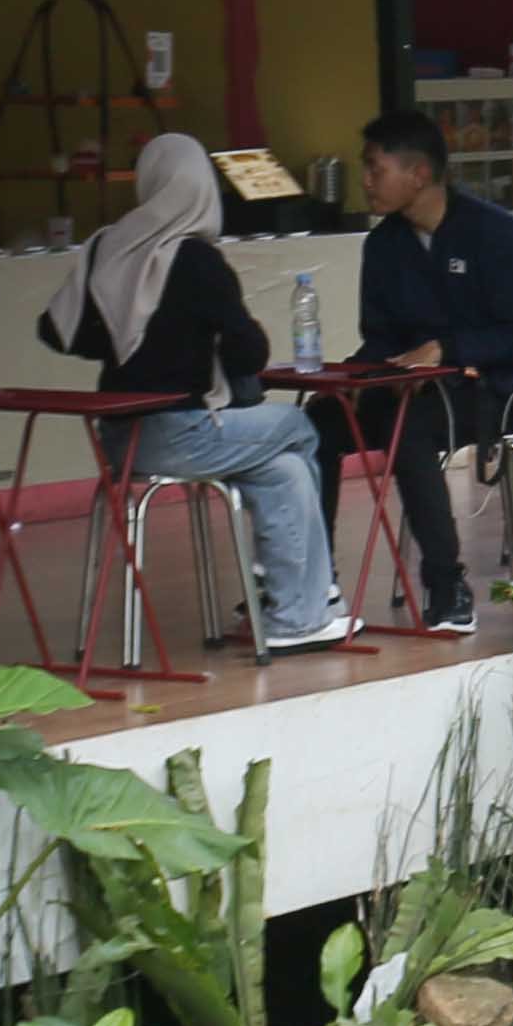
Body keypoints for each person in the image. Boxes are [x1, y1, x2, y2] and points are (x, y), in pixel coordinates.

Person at [37, 133, 349, 655]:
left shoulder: (107, 249)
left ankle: (296, 616)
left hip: (119, 440)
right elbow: (248, 352)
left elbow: (59, 331)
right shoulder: (196, 260)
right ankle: (312, 586)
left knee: (284, 470)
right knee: (300, 427)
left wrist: (129, 341)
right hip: (184, 433)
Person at [349, 105, 513, 635]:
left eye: (374, 169)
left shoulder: (495, 235)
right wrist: (354, 379)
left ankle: (445, 581)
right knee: (310, 429)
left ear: (419, 174)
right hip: (404, 388)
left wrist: (446, 349)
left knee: (406, 432)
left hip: (486, 391)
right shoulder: (382, 245)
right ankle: (305, 587)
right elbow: (379, 335)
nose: (366, 182)